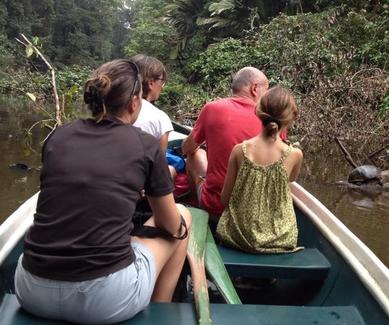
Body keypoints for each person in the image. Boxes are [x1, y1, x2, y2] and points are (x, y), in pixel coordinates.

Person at [14, 59, 192, 324]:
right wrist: (177, 229)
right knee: (181, 217)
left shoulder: (58, 137)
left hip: (31, 289)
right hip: (105, 300)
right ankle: (158, 312)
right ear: (134, 103)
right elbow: (168, 223)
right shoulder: (144, 144)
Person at [216, 86, 303, 253]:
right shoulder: (295, 154)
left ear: (258, 111)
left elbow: (225, 200)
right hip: (281, 240)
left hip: (238, 238)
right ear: (292, 116)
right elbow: (291, 179)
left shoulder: (239, 150)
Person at [182, 67, 269, 221]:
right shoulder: (272, 119)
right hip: (256, 215)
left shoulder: (212, 108)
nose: (267, 95)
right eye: (266, 89)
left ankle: (199, 211)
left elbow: (186, 148)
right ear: (255, 88)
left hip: (217, 209)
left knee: (194, 154)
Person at [131, 54, 173, 153]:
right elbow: (160, 165)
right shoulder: (160, 118)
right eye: (162, 81)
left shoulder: (113, 107)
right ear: (151, 83)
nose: (162, 86)